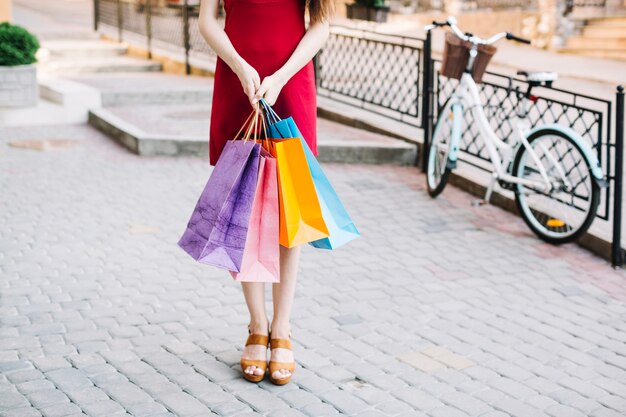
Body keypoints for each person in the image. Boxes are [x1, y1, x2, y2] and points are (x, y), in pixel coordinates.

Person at [198, 0, 333, 385]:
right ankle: (258, 324)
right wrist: (240, 67)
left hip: (290, 85)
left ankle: (282, 328)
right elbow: (208, 21)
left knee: (289, 209)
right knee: (242, 209)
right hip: (238, 83)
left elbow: (321, 24)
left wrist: (282, 76)